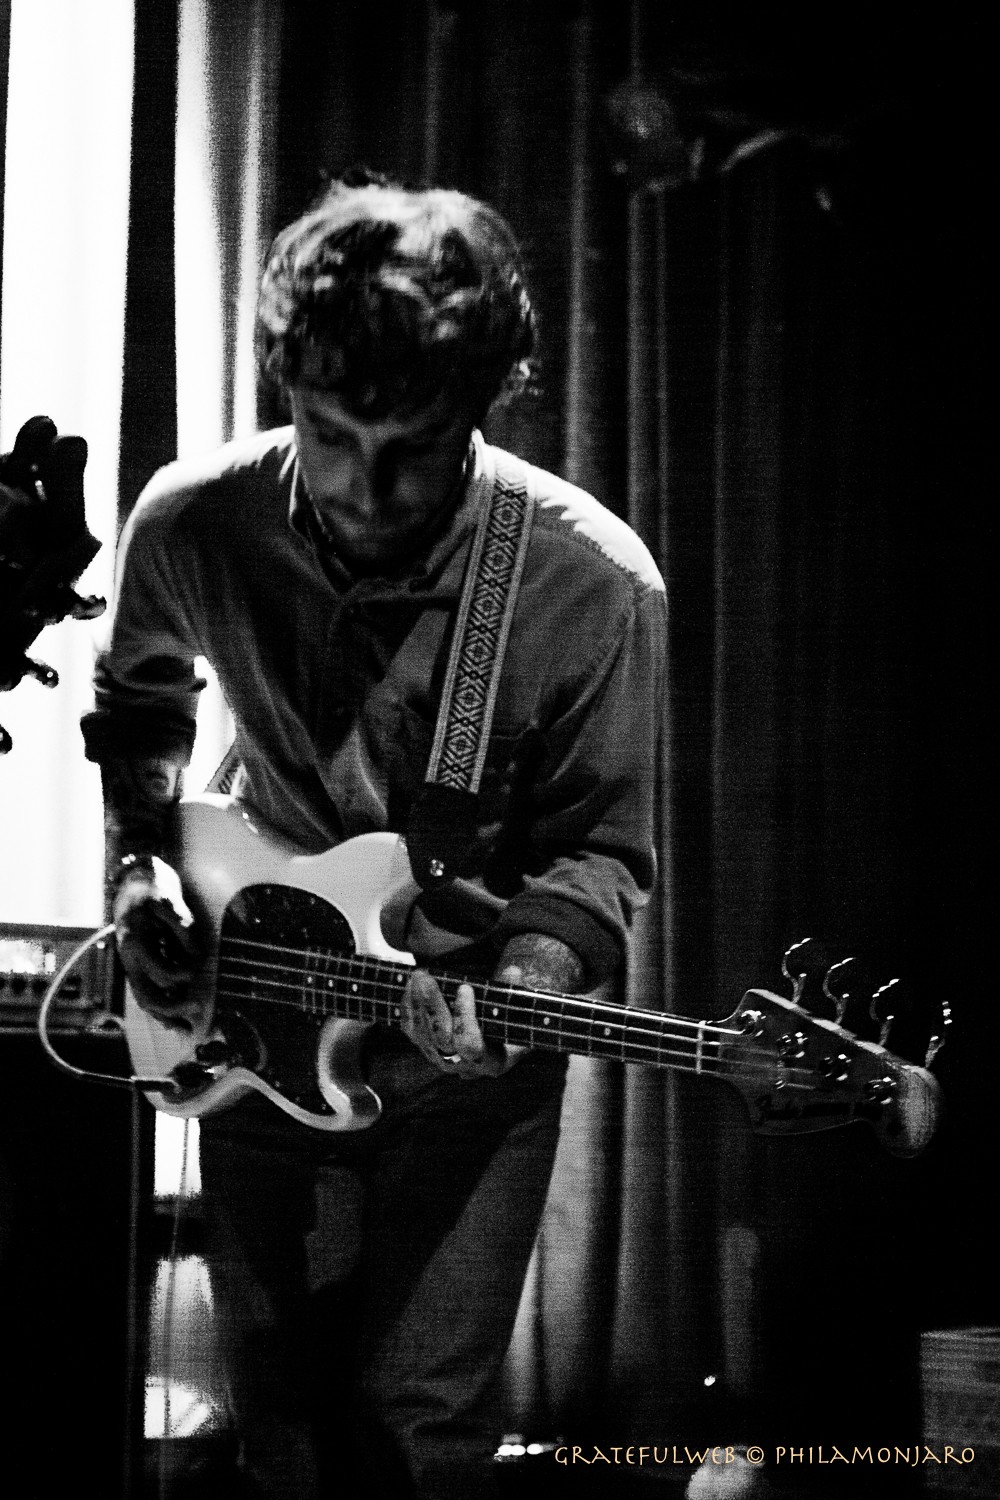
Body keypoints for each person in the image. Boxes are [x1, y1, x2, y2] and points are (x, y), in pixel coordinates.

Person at [81, 168, 666, 1499]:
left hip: (462, 1053)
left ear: (489, 399)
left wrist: (525, 980)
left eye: (414, 443)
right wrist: (139, 874)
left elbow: (601, 852)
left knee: (417, 1432)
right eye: (329, 433)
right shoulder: (193, 520)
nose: (365, 486)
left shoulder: (592, 582)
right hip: (254, 1015)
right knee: (279, 1428)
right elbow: (143, 708)